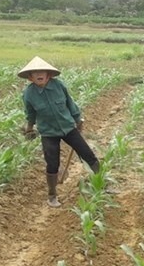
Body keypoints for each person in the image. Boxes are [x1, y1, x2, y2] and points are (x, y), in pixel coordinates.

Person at [19, 56, 100, 207]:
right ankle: (52, 195)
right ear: (30, 77)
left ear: (48, 74)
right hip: (48, 132)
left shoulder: (58, 86)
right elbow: (30, 114)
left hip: (68, 127)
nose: (39, 74)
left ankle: (101, 183)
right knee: (52, 163)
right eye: (35, 73)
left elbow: (70, 103)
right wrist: (29, 128)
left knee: (87, 154)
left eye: (41, 71)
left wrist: (77, 119)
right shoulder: (29, 94)